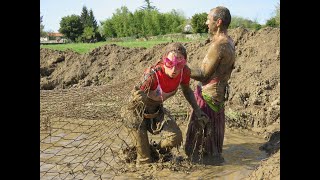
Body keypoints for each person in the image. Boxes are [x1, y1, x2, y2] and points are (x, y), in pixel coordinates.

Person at [122, 42, 208, 166]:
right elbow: (132, 100)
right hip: (135, 113)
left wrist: (198, 110)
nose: (174, 69)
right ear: (164, 60)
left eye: (179, 64)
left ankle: (157, 152)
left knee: (175, 137)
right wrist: (141, 97)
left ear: (184, 63)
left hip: (155, 110)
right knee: (145, 160)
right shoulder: (152, 75)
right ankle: (144, 157)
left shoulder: (184, 72)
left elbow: (187, 90)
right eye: (170, 63)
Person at [184, 6, 236, 164]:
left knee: (194, 149)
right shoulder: (230, 42)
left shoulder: (218, 45)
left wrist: (180, 67)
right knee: (213, 146)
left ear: (218, 22)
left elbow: (203, 74)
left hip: (207, 99)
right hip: (218, 98)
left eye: (209, 19)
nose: (206, 22)